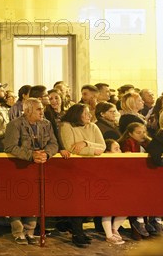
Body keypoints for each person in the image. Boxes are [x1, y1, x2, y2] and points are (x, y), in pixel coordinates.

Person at [3, 98, 59, 246]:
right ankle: (18, 231)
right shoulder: (14, 125)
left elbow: (54, 143)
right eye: (39, 109)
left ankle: (30, 231)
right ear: (27, 111)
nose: (42, 112)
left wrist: (46, 154)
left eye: (42, 109)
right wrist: (30, 155)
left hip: (39, 167)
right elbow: (9, 147)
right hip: (19, 167)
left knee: (35, 199)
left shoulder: (46, 124)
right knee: (18, 199)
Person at [59, 103, 105, 248]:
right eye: (85, 113)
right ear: (77, 114)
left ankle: (75, 229)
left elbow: (102, 146)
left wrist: (85, 143)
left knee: (87, 201)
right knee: (77, 202)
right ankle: (77, 232)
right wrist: (92, 150)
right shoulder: (67, 126)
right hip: (73, 170)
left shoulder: (93, 126)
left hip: (92, 170)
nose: (89, 116)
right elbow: (70, 147)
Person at [118, 122, 154, 240]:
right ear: (130, 133)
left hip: (145, 176)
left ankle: (144, 226)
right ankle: (136, 228)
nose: (142, 134)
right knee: (135, 202)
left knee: (146, 201)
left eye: (143, 132)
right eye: (138, 133)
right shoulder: (127, 142)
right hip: (131, 176)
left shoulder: (147, 141)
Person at [101, 139, 127, 245]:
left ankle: (114, 229)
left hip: (119, 189)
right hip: (106, 190)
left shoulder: (121, 161)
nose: (120, 151)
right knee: (107, 210)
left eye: (120, 148)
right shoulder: (103, 163)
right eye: (116, 149)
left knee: (126, 208)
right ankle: (109, 235)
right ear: (107, 152)